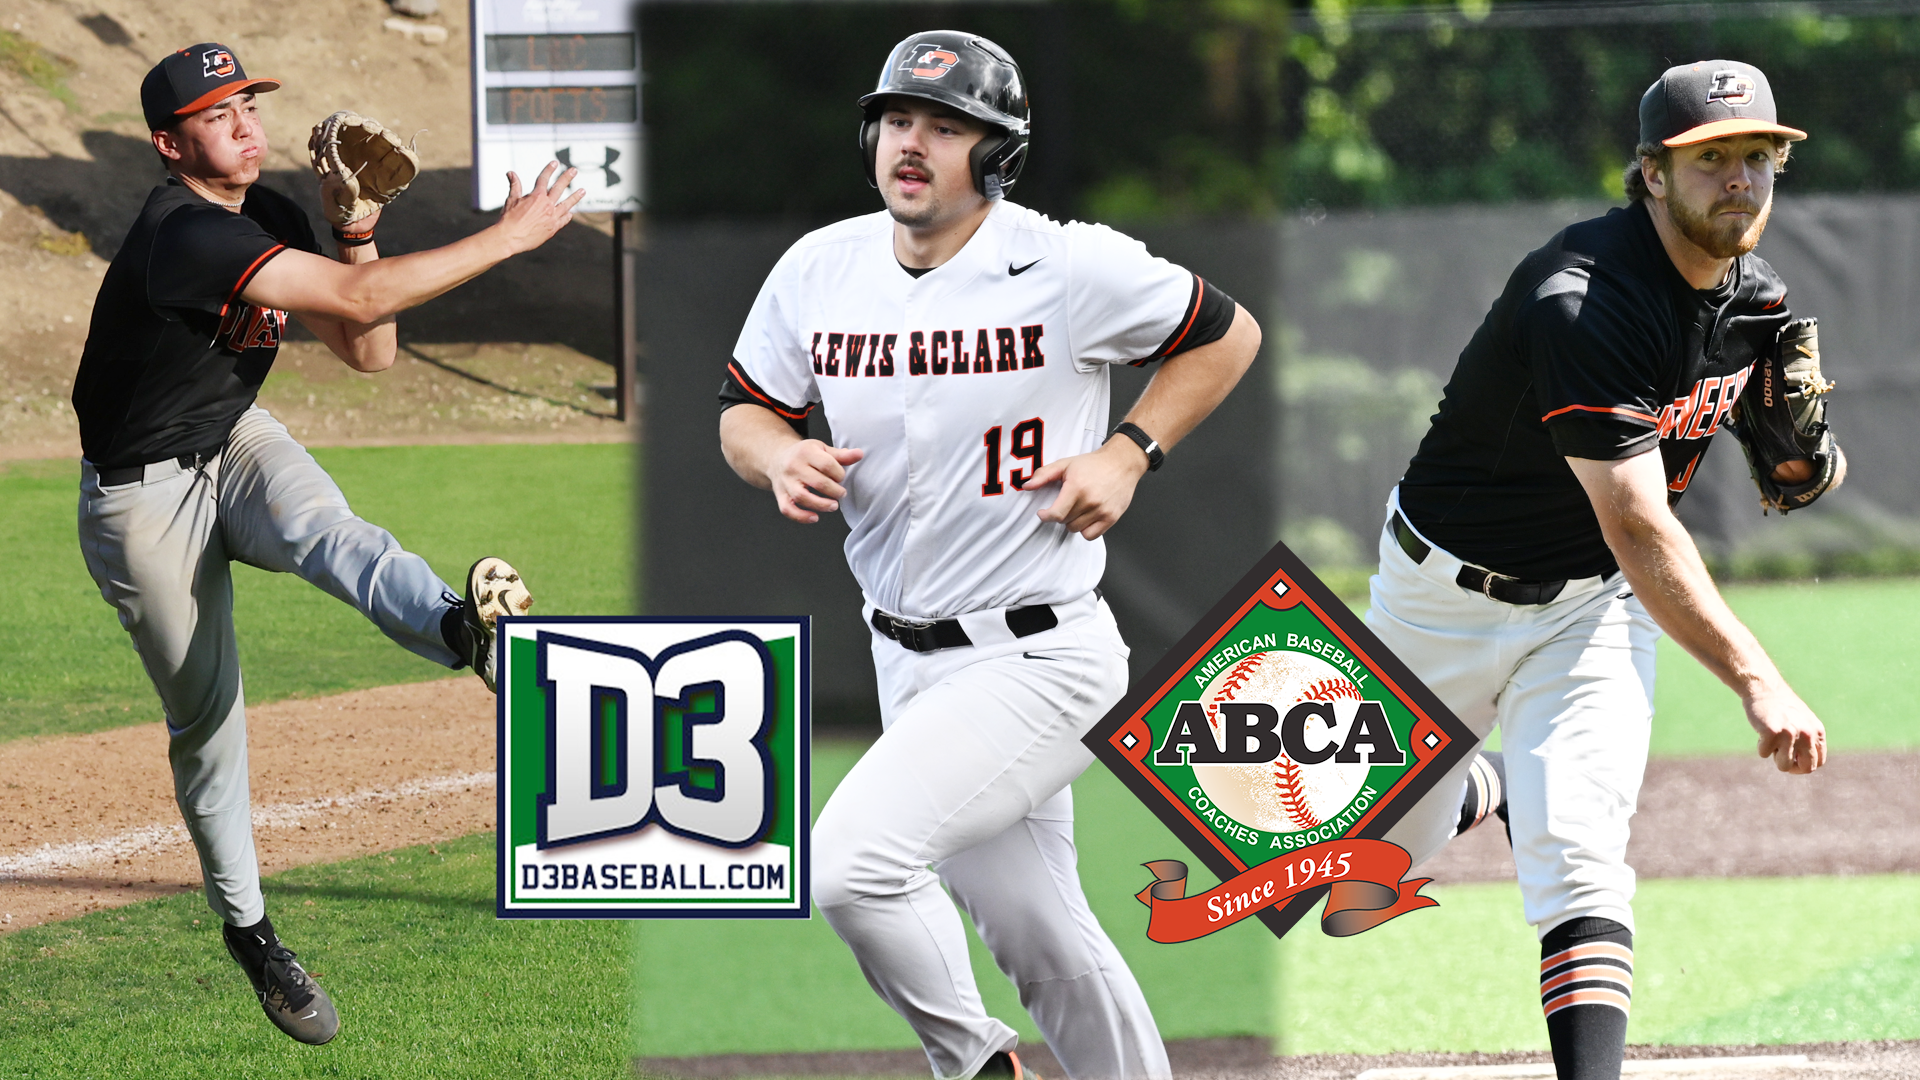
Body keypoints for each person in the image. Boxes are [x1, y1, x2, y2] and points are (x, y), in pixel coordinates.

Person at [718, 30, 1260, 1080]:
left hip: (1042, 655)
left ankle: (975, 1065)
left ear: (997, 153)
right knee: (1046, 942)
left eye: (946, 126)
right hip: (906, 660)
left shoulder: (1063, 265)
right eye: (898, 119)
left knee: (852, 869)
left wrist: (1130, 450)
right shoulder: (820, 268)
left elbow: (1226, 335)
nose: (911, 144)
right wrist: (778, 456)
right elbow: (745, 411)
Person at [71, 44, 579, 1045]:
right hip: (142, 504)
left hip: (232, 439)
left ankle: (461, 630)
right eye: (220, 116)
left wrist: (354, 228)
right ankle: (252, 933)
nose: (247, 124)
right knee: (208, 724)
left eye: (250, 104)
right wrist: (508, 238)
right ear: (171, 144)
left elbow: (369, 353)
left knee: (326, 528)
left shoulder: (267, 215)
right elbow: (364, 309)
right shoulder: (181, 232)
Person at [1366, 60, 1834, 1080]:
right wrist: (1757, 676)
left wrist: (1792, 458)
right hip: (1439, 595)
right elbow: (1638, 523)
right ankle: (1476, 784)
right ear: (1651, 174)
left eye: (1760, 156)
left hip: (1592, 610)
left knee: (1579, 858)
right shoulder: (1577, 298)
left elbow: (1693, 502)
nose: (1741, 180)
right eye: (1711, 159)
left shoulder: (1754, 302)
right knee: (1342, 872)